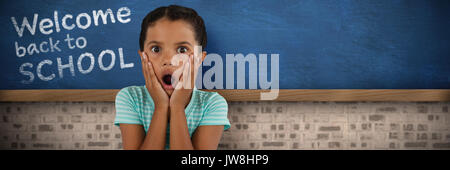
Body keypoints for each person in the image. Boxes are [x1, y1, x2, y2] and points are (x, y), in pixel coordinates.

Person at [114, 5, 230, 150]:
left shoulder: (212, 104)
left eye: (182, 49)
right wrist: (161, 107)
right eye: (156, 49)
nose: (168, 60)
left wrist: (177, 107)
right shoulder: (130, 98)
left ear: (199, 59)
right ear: (143, 56)